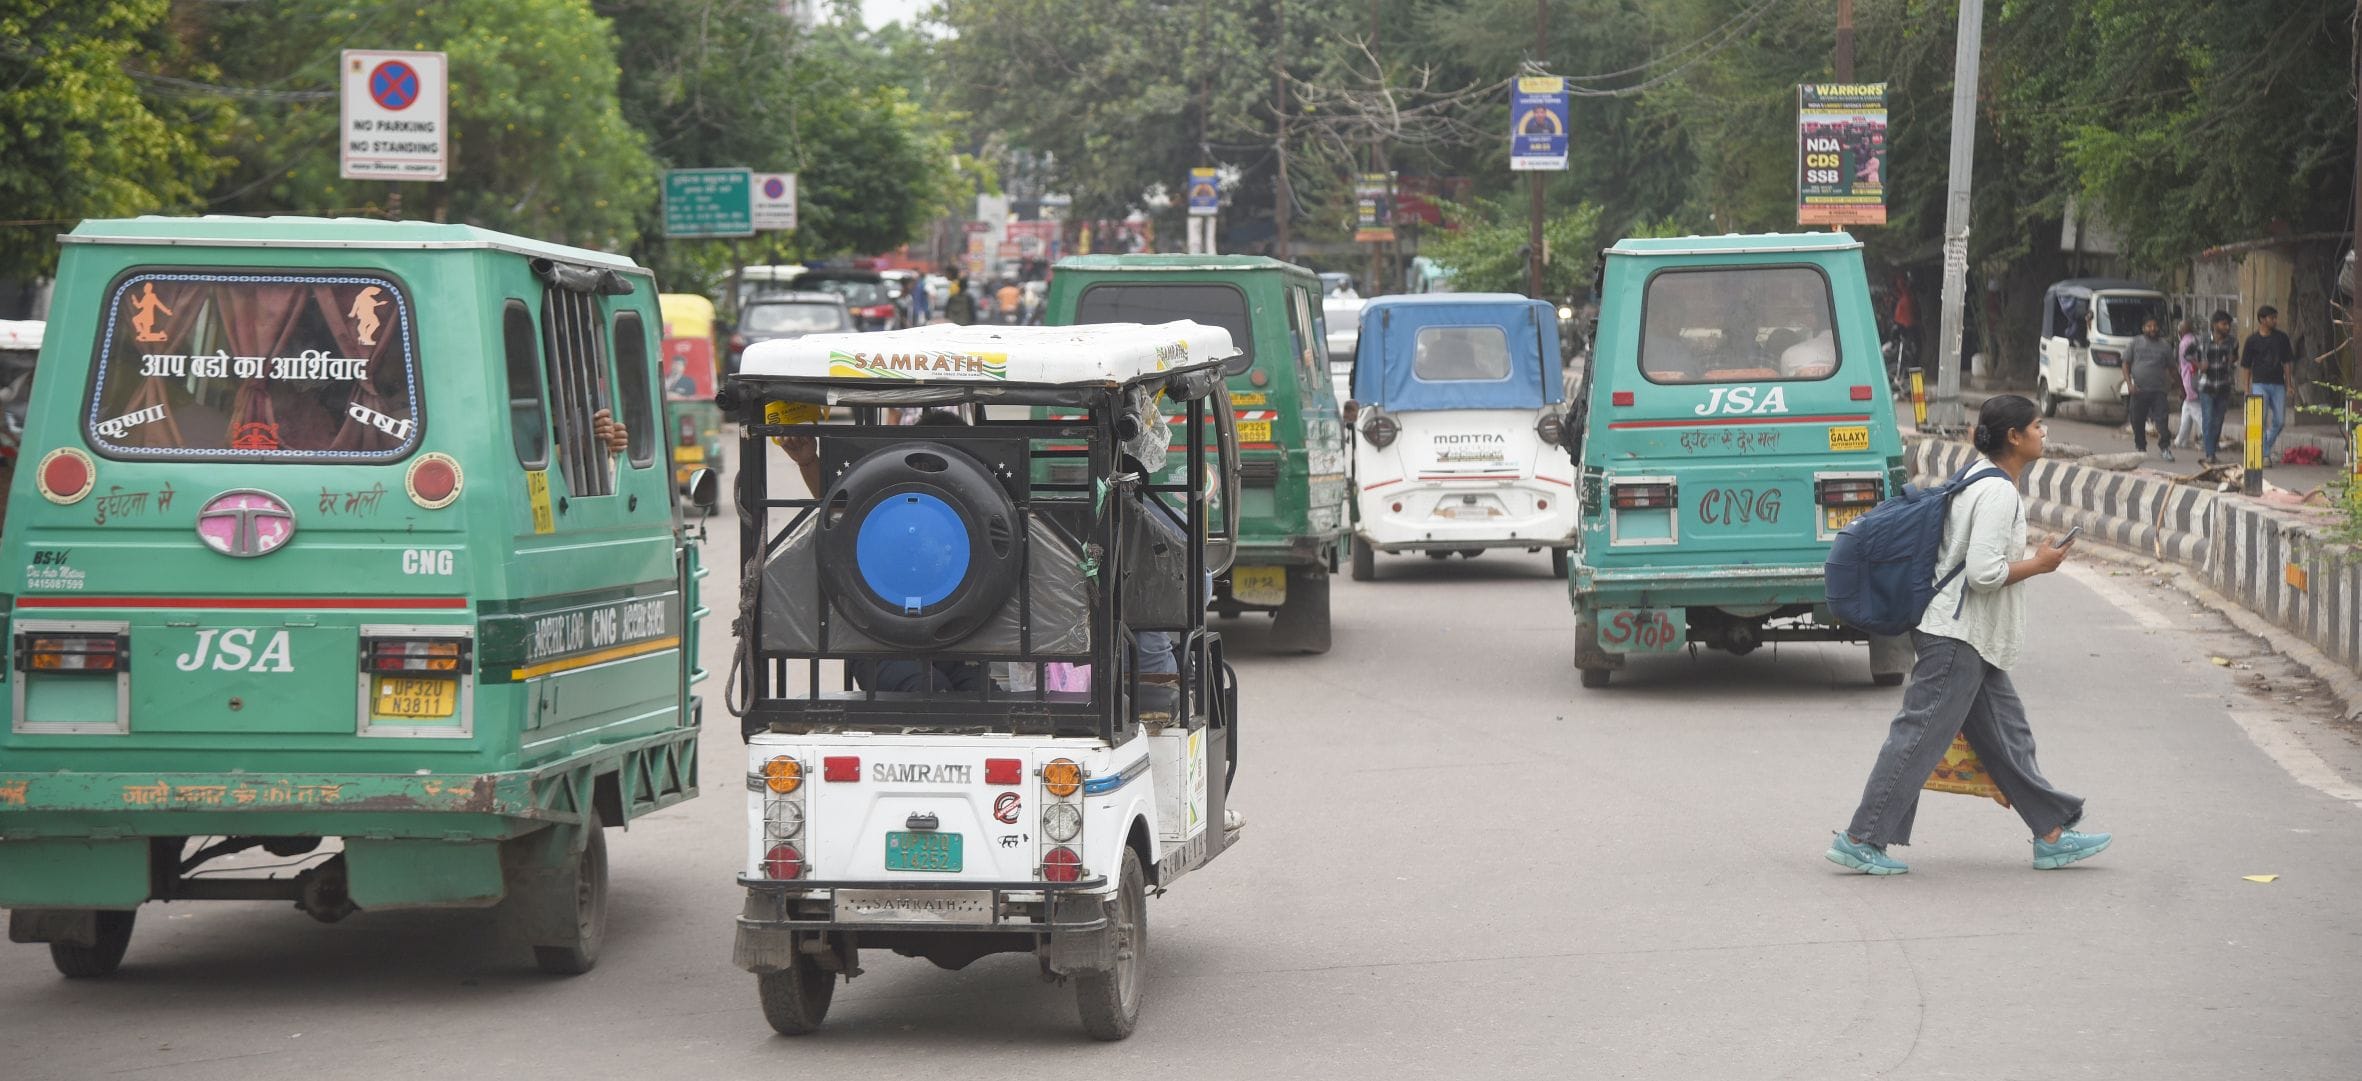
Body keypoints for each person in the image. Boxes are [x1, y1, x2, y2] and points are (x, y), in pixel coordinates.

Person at [1826, 394, 2112, 875]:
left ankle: (2051, 835)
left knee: (2009, 737)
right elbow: (1983, 573)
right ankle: (1861, 837)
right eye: (2037, 426)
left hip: (1974, 638)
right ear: (2014, 437)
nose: (2045, 433)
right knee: (1917, 736)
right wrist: (2039, 566)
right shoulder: (1998, 491)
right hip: (1956, 637)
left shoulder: (1977, 476)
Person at [2240, 305, 2295, 460]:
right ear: (2262, 320)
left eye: (2275, 317)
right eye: (2272, 318)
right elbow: (2246, 366)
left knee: (2280, 420)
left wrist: (2289, 384)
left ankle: (2264, 450)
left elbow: (2287, 362)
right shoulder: (2252, 340)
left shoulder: (2282, 338)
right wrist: (2246, 388)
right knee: (2260, 419)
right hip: (2259, 383)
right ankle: (2262, 454)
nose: (2275, 321)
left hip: (2278, 384)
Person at [2121, 315, 2177, 460]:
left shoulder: (2165, 346)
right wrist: (2129, 384)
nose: (2152, 329)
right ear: (2143, 328)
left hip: (2159, 390)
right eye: (2149, 326)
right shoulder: (2135, 343)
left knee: (2162, 421)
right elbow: (2125, 364)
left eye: (2155, 326)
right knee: (2137, 421)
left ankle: (2165, 448)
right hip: (2139, 390)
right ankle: (2140, 447)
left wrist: (2181, 387)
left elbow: (2172, 369)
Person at [2196, 311, 2241, 465]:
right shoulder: (2202, 339)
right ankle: (2210, 454)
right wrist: (2199, 365)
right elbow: (2186, 355)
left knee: (2218, 421)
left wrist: (2231, 359)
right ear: (2215, 325)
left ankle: (2212, 447)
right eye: (2224, 324)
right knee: (2208, 419)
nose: (2227, 327)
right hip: (2206, 385)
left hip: (2223, 385)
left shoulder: (2232, 342)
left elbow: (2235, 357)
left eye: (2228, 324)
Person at [2174, 318, 2204, 450]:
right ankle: (2181, 440)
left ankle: (2208, 437)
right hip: (2194, 377)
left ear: (2181, 331)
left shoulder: (2185, 343)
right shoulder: (2196, 339)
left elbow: (2185, 364)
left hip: (2189, 379)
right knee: (2186, 410)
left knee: (2196, 410)